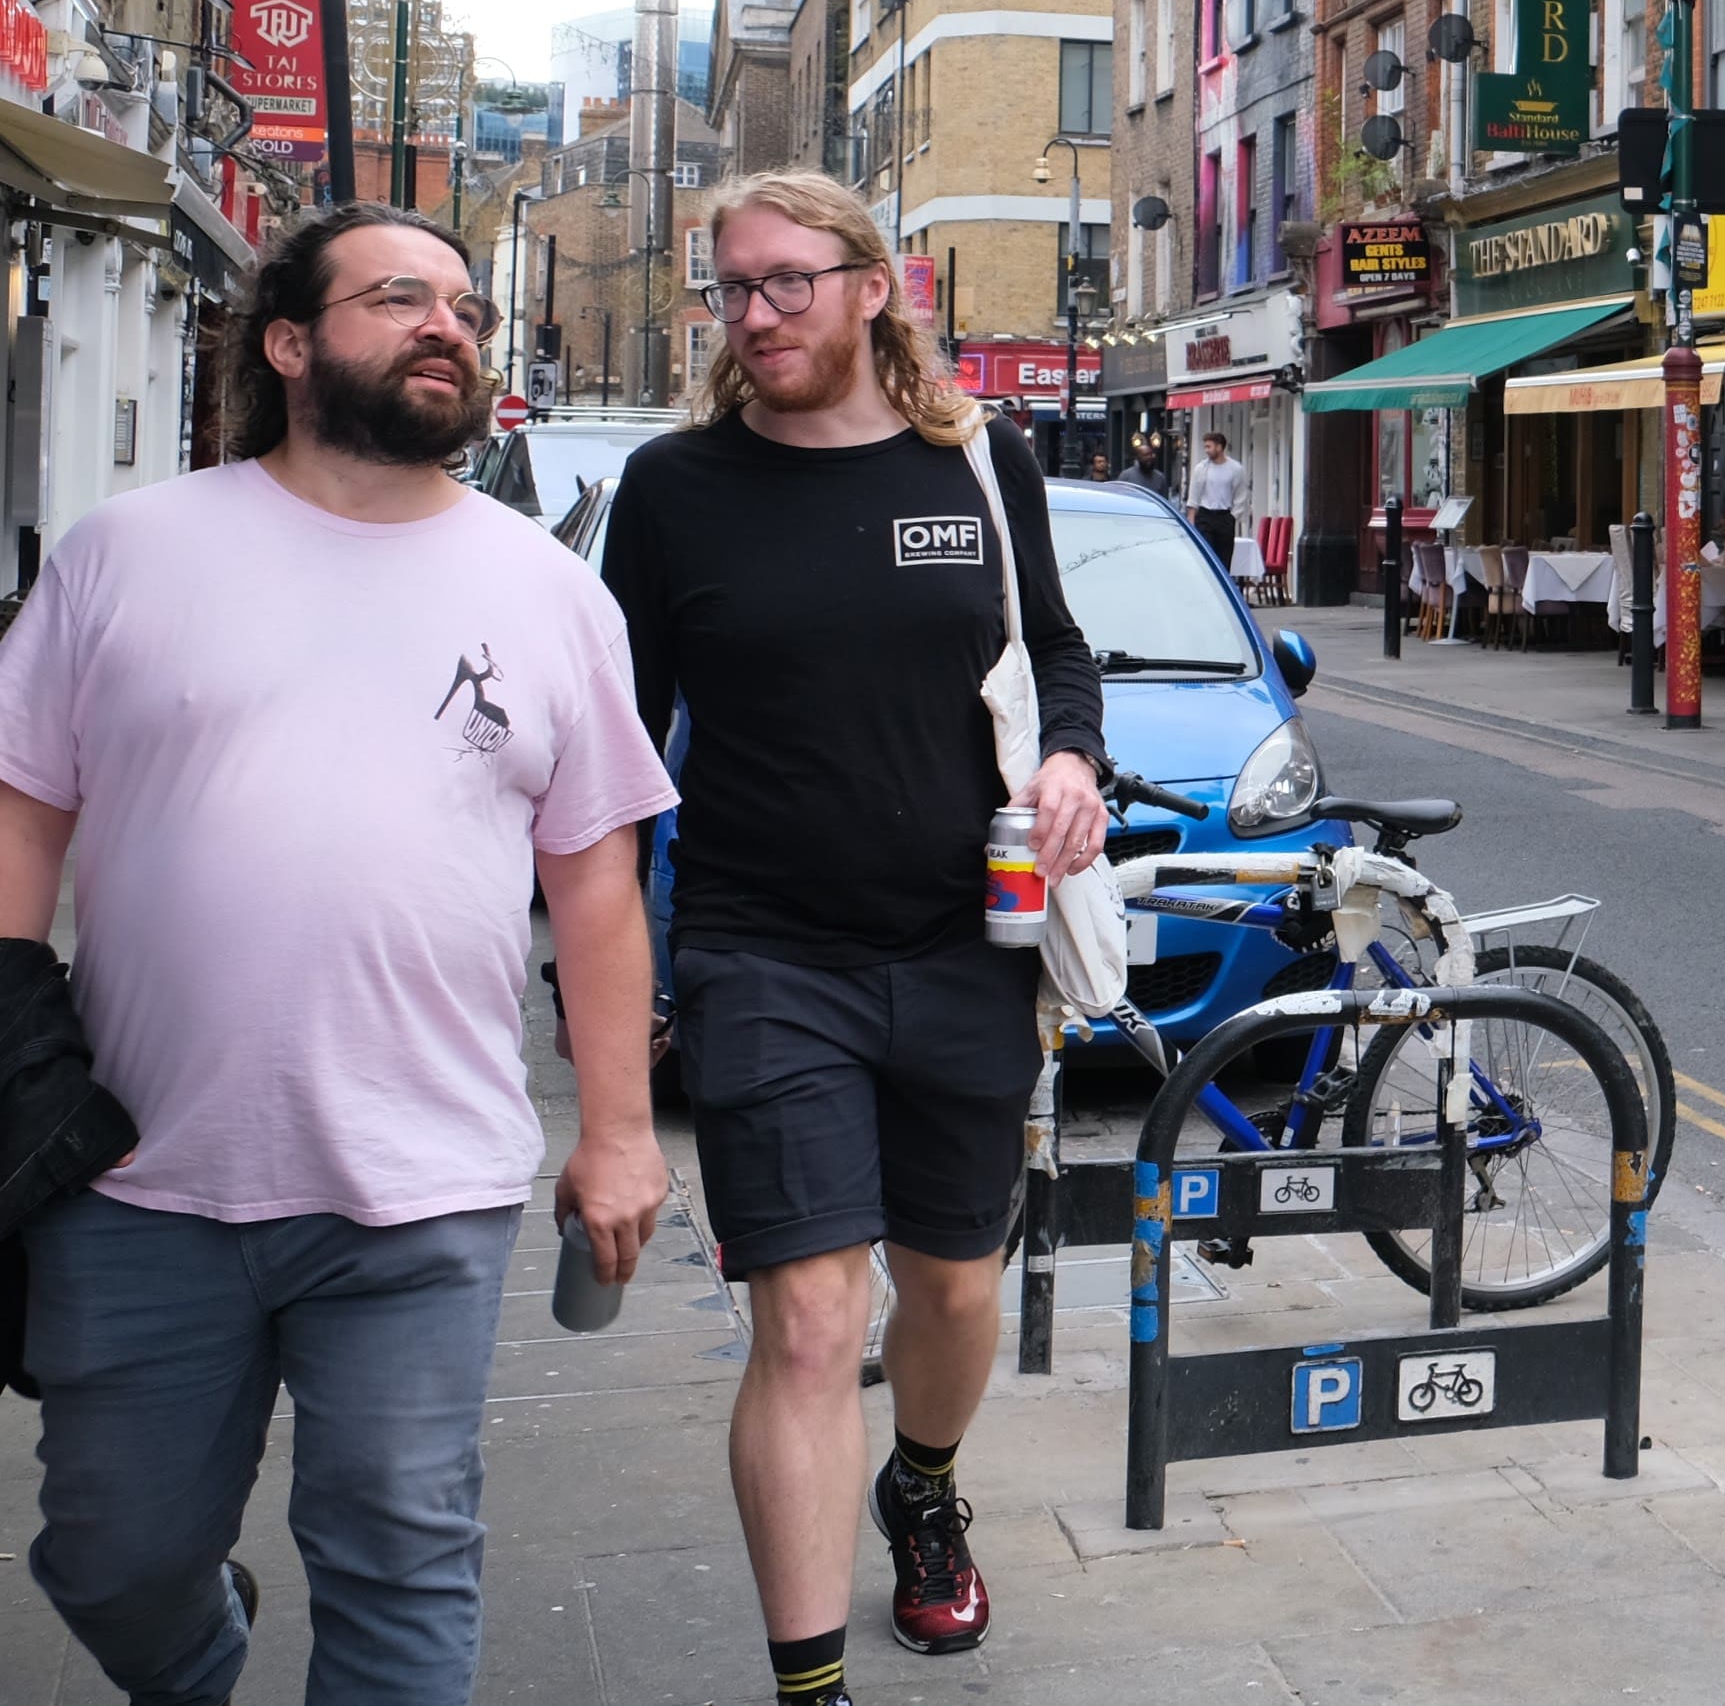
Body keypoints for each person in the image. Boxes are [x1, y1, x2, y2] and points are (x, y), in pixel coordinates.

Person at [0, 204, 676, 1705]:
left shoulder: (552, 590)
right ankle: (200, 1651)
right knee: (111, 1554)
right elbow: (23, 804)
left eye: (465, 307)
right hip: (132, 1168)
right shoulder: (129, 552)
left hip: (421, 1177)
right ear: (292, 342)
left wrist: (621, 1131)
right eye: (397, 298)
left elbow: (597, 880)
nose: (449, 324)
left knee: (402, 1548)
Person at [601, 172, 1104, 1704]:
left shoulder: (981, 461)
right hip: (762, 951)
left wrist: (1074, 758)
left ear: (875, 286)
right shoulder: (675, 487)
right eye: (732, 288)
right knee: (811, 1318)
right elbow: (615, 754)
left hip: (969, 939)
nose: (754, 315)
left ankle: (926, 1482)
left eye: (787, 283)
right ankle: (806, 1683)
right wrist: (607, 1005)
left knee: (951, 1286)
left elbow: (1058, 652)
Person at [1186, 430, 1247, 576]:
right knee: (1206, 556)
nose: (1206, 450)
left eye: (1209, 447)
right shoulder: (1201, 468)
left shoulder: (1235, 469)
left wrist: (1233, 517)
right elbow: (1193, 495)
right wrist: (1191, 519)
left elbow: (1241, 495)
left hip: (1224, 517)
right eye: (1205, 447)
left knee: (1224, 558)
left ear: (1219, 447)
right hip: (1205, 516)